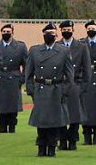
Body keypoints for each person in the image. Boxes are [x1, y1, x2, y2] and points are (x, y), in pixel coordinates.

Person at [25, 23, 74, 157]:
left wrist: (65, 91)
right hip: (40, 89)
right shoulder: (34, 51)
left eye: (52, 33)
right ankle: (41, 147)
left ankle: (52, 146)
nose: (49, 36)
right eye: (47, 34)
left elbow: (69, 74)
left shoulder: (64, 51)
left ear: (56, 35)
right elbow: (28, 73)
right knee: (41, 121)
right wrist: (31, 90)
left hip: (56, 89)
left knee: (54, 121)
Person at [58, 20, 91, 150]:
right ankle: (62, 140)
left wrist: (83, 87)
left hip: (75, 84)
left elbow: (87, 69)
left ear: (73, 30)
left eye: (69, 29)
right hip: (60, 85)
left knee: (75, 115)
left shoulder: (82, 47)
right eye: (64, 30)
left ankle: (73, 140)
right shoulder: (57, 45)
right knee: (61, 114)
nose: (66, 32)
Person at [0, 23, 28, 133]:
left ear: (12, 33)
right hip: (0, 77)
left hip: (14, 77)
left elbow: (26, 65)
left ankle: (12, 126)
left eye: (8, 32)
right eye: (4, 32)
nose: (6, 33)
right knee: (1, 104)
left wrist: (22, 78)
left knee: (12, 105)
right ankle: (2, 126)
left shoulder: (20, 46)